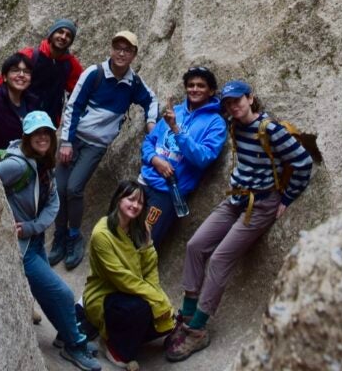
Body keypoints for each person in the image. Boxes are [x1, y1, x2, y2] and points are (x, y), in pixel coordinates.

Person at [164, 80, 313, 362]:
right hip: (236, 198)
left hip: (261, 204)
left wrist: (286, 199)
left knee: (220, 259)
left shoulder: (271, 130)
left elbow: (303, 162)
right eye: (229, 103)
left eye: (238, 100)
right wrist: (175, 125)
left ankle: (197, 329)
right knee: (195, 245)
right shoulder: (235, 126)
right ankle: (188, 313)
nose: (234, 107)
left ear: (250, 98)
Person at [0, 111, 101, 371]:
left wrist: (33, 227)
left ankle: (68, 336)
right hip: (22, 247)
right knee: (62, 293)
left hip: (34, 239)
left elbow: (53, 201)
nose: (42, 137)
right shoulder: (18, 165)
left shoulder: (43, 162)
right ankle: (74, 347)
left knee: (49, 294)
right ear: (27, 136)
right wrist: (1, 222)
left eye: (46, 133)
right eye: (36, 133)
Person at [50, 31, 159, 270]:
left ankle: (73, 236)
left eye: (127, 50)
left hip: (96, 145)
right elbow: (73, 106)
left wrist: (151, 122)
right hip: (74, 139)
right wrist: (66, 142)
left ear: (134, 55)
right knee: (59, 187)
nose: (121, 53)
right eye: (117, 48)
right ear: (111, 49)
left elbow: (151, 100)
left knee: (74, 188)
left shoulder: (133, 83)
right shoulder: (95, 73)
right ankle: (59, 236)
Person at [83, 180, 175, 370]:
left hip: (135, 290)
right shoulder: (102, 233)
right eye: (131, 199)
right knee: (142, 309)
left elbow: (150, 267)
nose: (135, 205)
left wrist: (158, 296)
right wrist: (156, 299)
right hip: (106, 293)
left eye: (140, 202)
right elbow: (121, 278)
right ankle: (115, 348)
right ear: (118, 199)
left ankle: (119, 334)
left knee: (167, 320)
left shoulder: (141, 228)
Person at [139, 66, 227, 248]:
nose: (194, 89)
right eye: (191, 85)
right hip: (143, 181)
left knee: (145, 245)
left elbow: (203, 158)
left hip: (167, 192)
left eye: (201, 86)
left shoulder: (216, 123)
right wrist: (155, 160)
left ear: (211, 91)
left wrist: (176, 129)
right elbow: (149, 141)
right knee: (116, 232)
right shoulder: (176, 111)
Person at [0, 18, 84, 127]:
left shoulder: (71, 65)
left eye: (68, 35)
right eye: (60, 32)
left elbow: (81, 90)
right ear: (51, 34)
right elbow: (5, 80)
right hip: (21, 116)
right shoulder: (30, 55)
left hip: (48, 122)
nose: (63, 37)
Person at [0, 53, 39, 151]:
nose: (21, 75)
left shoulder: (32, 102)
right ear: (5, 77)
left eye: (26, 72)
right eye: (15, 70)